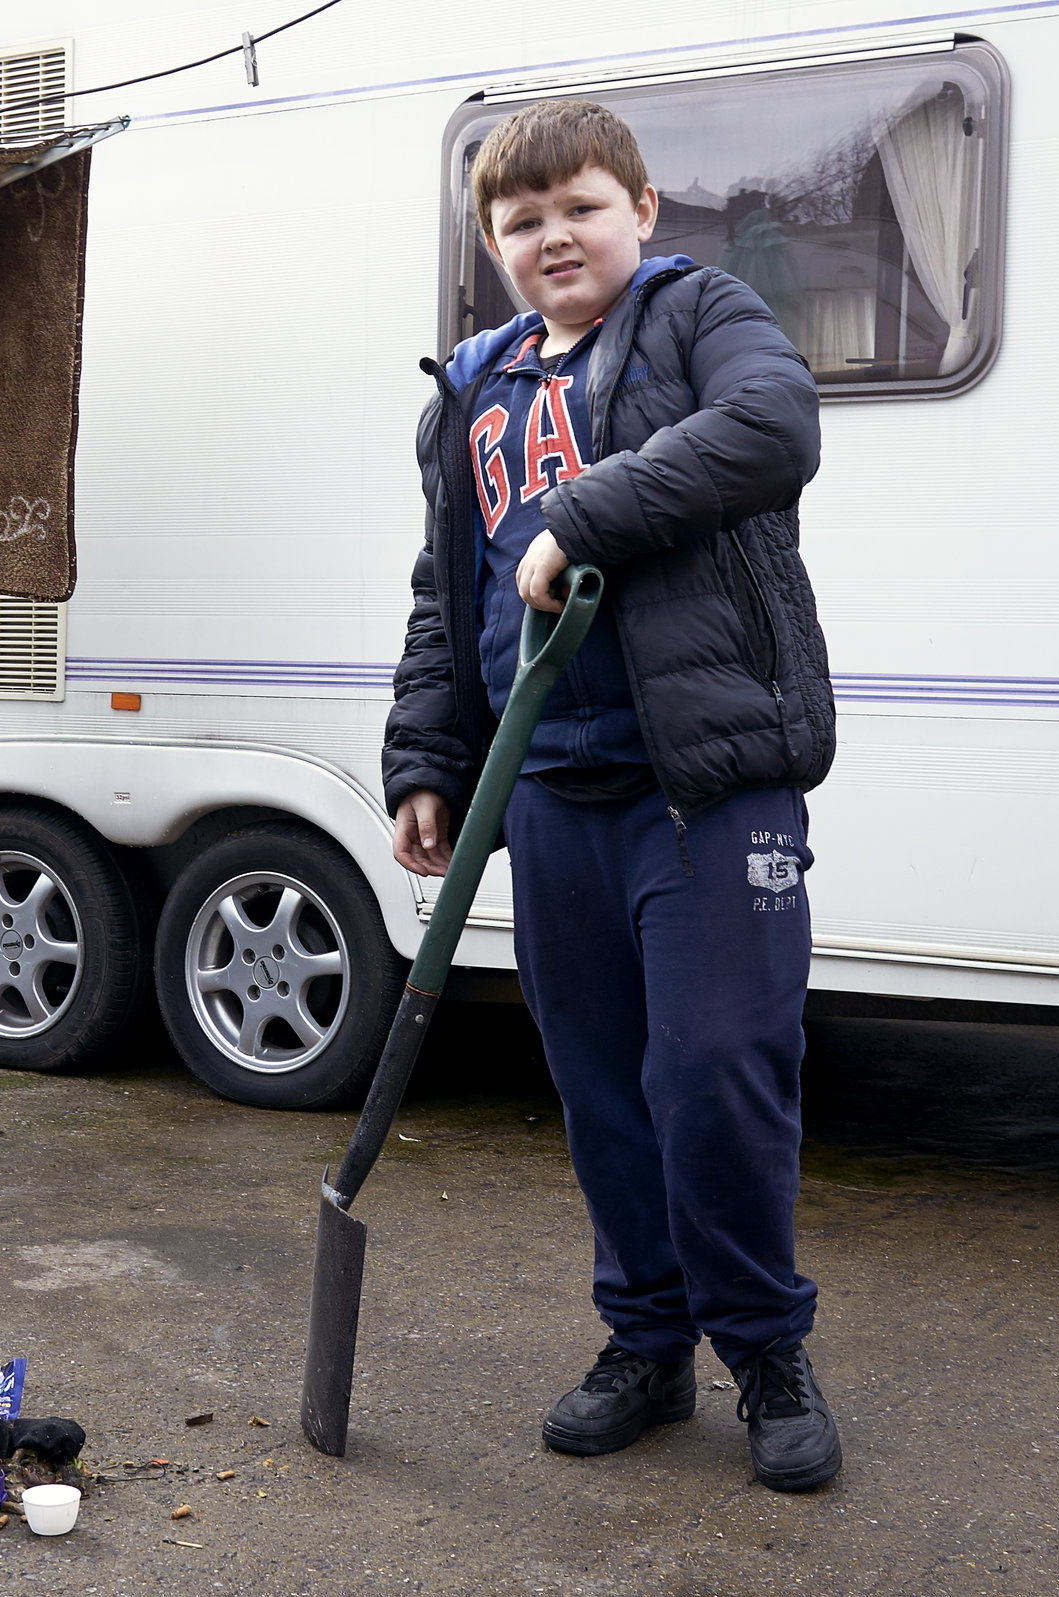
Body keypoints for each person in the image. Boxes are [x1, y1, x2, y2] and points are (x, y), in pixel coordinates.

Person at [381, 99, 839, 1490]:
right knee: (600, 1090)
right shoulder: (471, 390)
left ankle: (765, 1349)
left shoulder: (701, 321)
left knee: (714, 1071)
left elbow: (777, 428)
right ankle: (647, 1344)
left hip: (707, 787)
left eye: (580, 207)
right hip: (556, 797)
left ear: (642, 208)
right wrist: (427, 758)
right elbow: (444, 595)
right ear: (491, 247)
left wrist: (587, 514)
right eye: (521, 223)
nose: (552, 237)